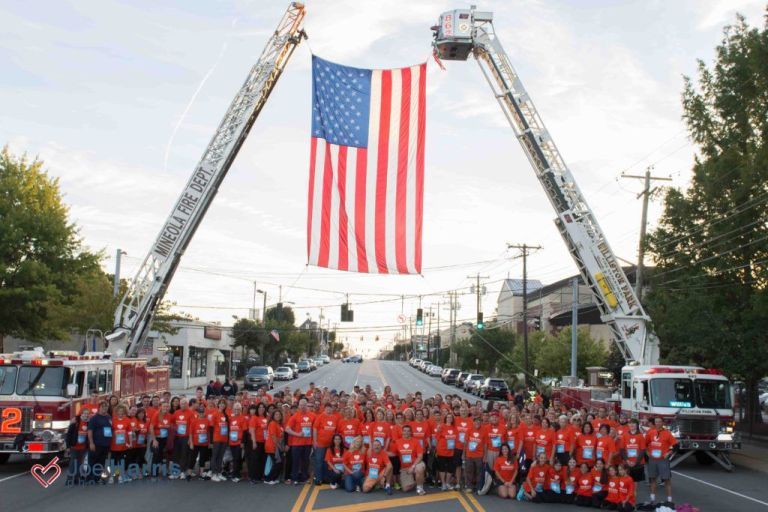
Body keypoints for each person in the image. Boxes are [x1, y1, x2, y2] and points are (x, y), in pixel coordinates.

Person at [643, 416, 677, 509]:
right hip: (652, 460)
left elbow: (676, 445)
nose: (657, 423)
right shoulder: (650, 432)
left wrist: (669, 453)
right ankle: (652, 499)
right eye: (656, 422)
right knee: (653, 479)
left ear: (663, 423)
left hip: (663, 460)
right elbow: (644, 444)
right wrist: (647, 453)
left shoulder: (667, 433)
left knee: (667, 480)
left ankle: (669, 500)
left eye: (659, 422)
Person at [285, 399, 315, 485]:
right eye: (301, 405)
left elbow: (315, 429)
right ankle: (294, 478)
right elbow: (287, 429)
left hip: (308, 443)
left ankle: (304, 478)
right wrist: (297, 434)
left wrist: (314, 441)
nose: (303, 406)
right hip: (296, 443)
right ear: (298, 406)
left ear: (307, 406)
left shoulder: (312, 415)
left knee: (306, 461)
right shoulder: (295, 416)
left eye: (304, 405)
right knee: (296, 461)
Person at [394, 424, 426, 495]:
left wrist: (413, 466)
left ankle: (419, 487)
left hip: (416, 464)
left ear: (411, 432)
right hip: (405, 468)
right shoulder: (397, 442)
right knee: (405, 489)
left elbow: (420, 456)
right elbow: (393, 453)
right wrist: (383, 451)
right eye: (404, 431)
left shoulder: (416, 441)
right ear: (402, 432)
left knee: (419, 469)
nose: (406, 432)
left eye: (408, 431)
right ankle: (419, 480)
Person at [313, 401, 338, 484]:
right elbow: (315, 428)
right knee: (319, 461)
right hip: (320, 443)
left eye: (330, 409)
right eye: (327, 409)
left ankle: (325, 478)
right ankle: (318, 479)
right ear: (324, 409)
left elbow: (335, 430)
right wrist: (315, 441)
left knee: (327, 462)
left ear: (332, 409)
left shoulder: (334, 418)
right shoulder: (320, 417)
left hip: (330, 444)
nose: (328, 410)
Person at [87, 401, 112, 483]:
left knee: (101, 462)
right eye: (103, 406)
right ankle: (90, 478)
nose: (105, 408)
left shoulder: (108, 417)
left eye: (106, 406)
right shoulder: (94, 418)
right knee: (93, 461)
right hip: (96, 443)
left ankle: (97, 478)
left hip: (105, 444)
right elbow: (90, 431)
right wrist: (91, 443)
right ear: (99, 407)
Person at [66, 408, 90, 485]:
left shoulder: (89, 423)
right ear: (81, 414)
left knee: (80, 464)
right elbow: (69, 435)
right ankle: (69, 479)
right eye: (84, 413)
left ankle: (77, 479)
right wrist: (67, 446)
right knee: (73, 463)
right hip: (74, 447)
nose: (86, 415)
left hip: (83, 447)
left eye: (87, 414)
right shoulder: (75, 422)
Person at [110, 404, 133, 483]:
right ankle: (112, 476)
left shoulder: (127, 420)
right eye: (119, 411)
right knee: (113, 461)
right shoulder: (113, 420)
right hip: (114, 445)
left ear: (124, 412)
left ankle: (120, 476)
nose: (120, 413)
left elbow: (130, 433)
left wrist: (130, 443)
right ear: (116, 412)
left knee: (122, 461)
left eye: (122, 411)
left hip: (124, 445)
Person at [435, 413, 458, 490]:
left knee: (450, 468)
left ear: (452, 419)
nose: (449, 418)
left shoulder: (455, 428)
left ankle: (447, 482)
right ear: (445, 418)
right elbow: (437, 438)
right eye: (448, 417)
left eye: (451, 417)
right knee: (441, 468)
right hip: (442, 451)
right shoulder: (441, 426)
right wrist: (438, 431)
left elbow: (457, 439)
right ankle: (443, 484)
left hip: (451, 451)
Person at [150, 402, 173, 477]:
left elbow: (171, 426)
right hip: (158, 438)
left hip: (165, 438)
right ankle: (154, 472)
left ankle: (159, 471)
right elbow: (151, 427)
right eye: (164, 406)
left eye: (167, 406)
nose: (165, 408)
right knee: (156, 455)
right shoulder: (157, 414)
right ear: (161, 407)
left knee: (161, 455)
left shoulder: (169, 415)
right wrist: (154, 440)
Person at [463, 416, 485, 494]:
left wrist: (484, 456)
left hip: (479, 455)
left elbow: (485, 444)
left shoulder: (484, 430)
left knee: (479, 472)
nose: (477, 423)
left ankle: (478, 487)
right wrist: (464, 453)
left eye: (479, 421)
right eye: (476, 421)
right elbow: (465, 443)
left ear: (481, 422)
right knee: (469, 471)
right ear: (473, 422)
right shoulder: (469, 430)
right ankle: (469, 487)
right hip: (469, 455)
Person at [210, 399, 229, 482]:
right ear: (218, 405)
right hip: (217, 438)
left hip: (224, 439)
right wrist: (211, 441)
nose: (222, 405)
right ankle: (214, 473)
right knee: (215, 456)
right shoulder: (215, 414)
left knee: (221, 456)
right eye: (220, 403)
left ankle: (218, 472)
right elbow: (211, 428)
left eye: (223, 404)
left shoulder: (225, 414)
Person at [264, 409, 285, 484]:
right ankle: (268, 479)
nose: (278, 416)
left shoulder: (278, 424)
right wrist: (279, 447)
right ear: (273, 416)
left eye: (279, 414)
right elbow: (273, 437)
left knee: (278, 463)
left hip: (276, 446)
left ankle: (273, 478)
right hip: (272, 446)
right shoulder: (272, 423)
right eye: (276, 414)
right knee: (277, 463)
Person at [227, 402, 246, 482]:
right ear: (233, 410)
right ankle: (235, 474)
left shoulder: (243, 418)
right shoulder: (230, 418)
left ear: (240, 410)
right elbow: (228, 429)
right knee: (234, 458)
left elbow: (245, 431)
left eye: (238, 409)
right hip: (231, 442)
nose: (236, 410)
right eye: (235, 409)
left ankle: (236, 474)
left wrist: (242, 442)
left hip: (239, 442)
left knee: (237, 458)